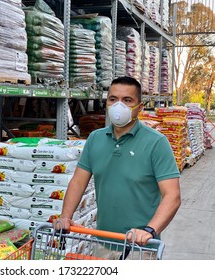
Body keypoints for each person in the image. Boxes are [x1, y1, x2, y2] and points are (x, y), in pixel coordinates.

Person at [55, 76, 181, 259]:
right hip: (103, 242)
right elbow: (78, 182)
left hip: (140, 247)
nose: (118, 105)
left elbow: (173, 195)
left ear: (140, 107)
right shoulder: (95, 139)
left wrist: (149, 230)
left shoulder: (156, 143)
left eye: (127, 100)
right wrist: (66, 215)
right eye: (113, 99)